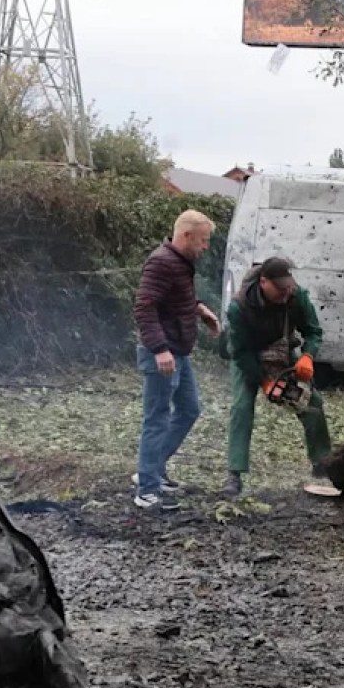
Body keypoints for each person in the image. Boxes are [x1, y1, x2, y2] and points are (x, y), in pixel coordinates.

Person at [222, 257, 335, 498]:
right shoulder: (239, 307)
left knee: (311, 402)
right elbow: (239, 352)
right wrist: (264, 381)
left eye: (289, 287)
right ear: (264, 282)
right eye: (281, 289)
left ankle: (322, 462)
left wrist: (307, 356)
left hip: (282, 353)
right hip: (249, 356)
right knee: (241, 406)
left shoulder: (297, 297)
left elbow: (313, 332)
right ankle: (235, 473)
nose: (287, 293)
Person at [133, 209, 220, 509]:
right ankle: (146, 490)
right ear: (186, 236)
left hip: (179, 352)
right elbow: (145, 307)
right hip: (163, 355)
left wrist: (199, 309)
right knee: (156, 418)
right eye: (203, 240)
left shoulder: (181, 264)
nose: (206, 247)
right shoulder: (160, 263)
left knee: (189, 409)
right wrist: (159, 349)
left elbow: (176, 297)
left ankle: (152, 469)